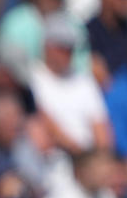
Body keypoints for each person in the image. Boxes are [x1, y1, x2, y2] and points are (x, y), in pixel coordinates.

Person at [29, 14, 113, 155]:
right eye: (62, 48)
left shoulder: (84, 80)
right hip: (57, 156)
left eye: (71, 49)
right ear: (47, 46)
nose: (68, 54)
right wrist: (80, 154)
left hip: (90, 157)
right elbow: (46, 122)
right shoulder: (33, 78)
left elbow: (100, 125)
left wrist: (101, 157)